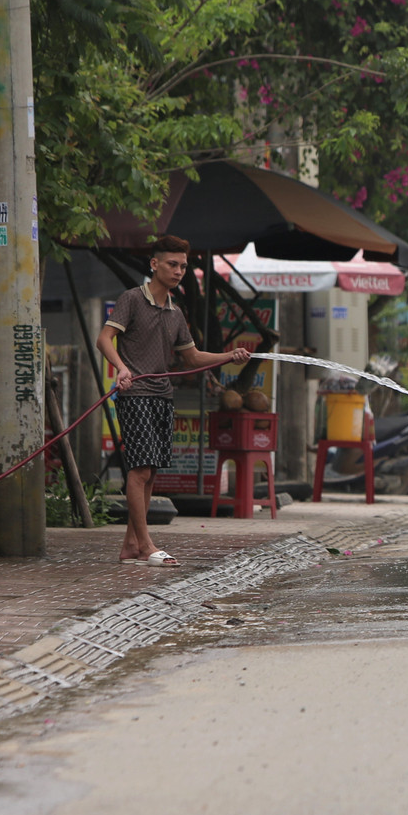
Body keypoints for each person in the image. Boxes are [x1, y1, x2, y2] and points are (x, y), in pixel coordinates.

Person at [96, 235, 251, 566]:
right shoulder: (132, 300)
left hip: (162, 397)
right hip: (135, 393)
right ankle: (148, 545)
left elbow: (192, 358)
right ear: (154, 264)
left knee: (150, 474)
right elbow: (104, 339)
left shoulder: (176, 313)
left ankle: (130, 546)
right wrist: (121, 367)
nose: (179, 271)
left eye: (183, 266)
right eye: (172, 264)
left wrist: (228, 356)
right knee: (139, 471)